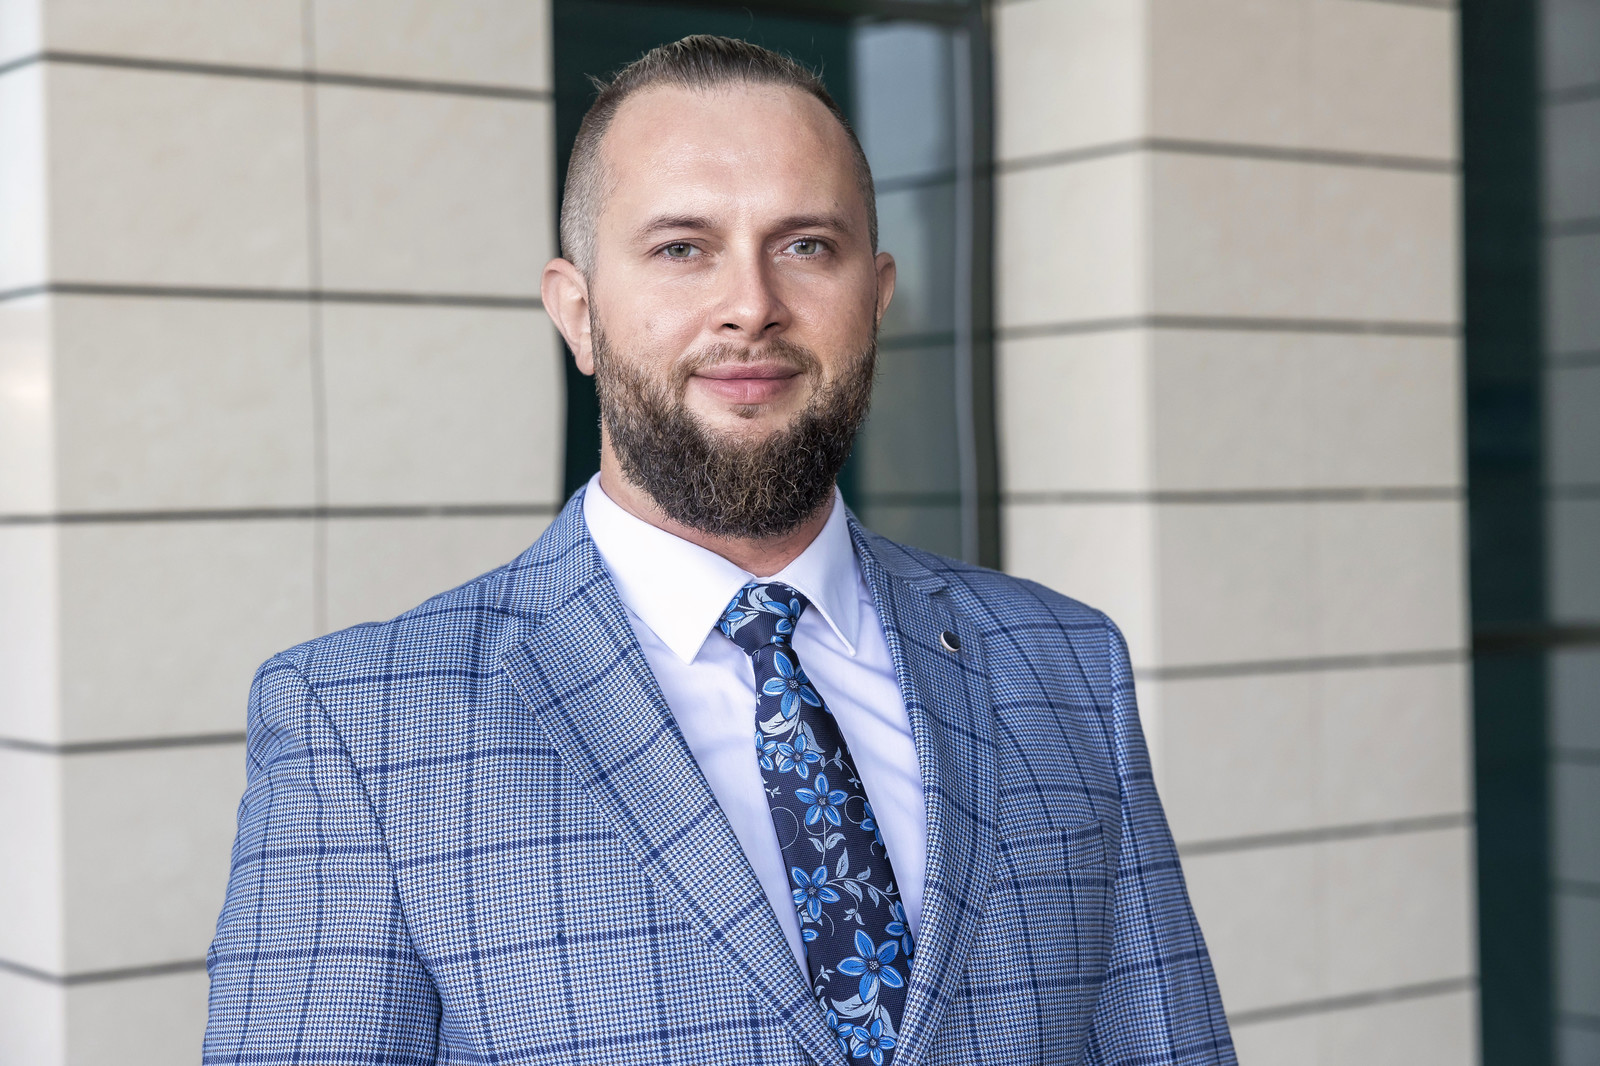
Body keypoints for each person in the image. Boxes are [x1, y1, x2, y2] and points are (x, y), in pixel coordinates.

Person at [203, 35, 1235, 1066]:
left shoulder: (1062, 665)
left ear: (876, 298)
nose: (751, 304)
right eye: (681, 248)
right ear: (578, 313)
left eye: (806, 245)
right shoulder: (364, 730)